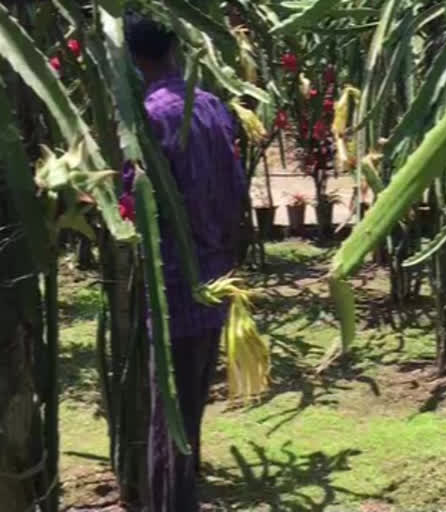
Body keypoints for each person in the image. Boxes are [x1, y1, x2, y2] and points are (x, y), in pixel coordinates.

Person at [125, 14, 247, 512]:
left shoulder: (148, 116)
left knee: (166, 415)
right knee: (191, 403)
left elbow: (131, 204)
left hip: (170, 283)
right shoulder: (214, 105)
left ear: (133, 59)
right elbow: (238, 190)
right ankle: (185, 499)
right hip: (215, 276)